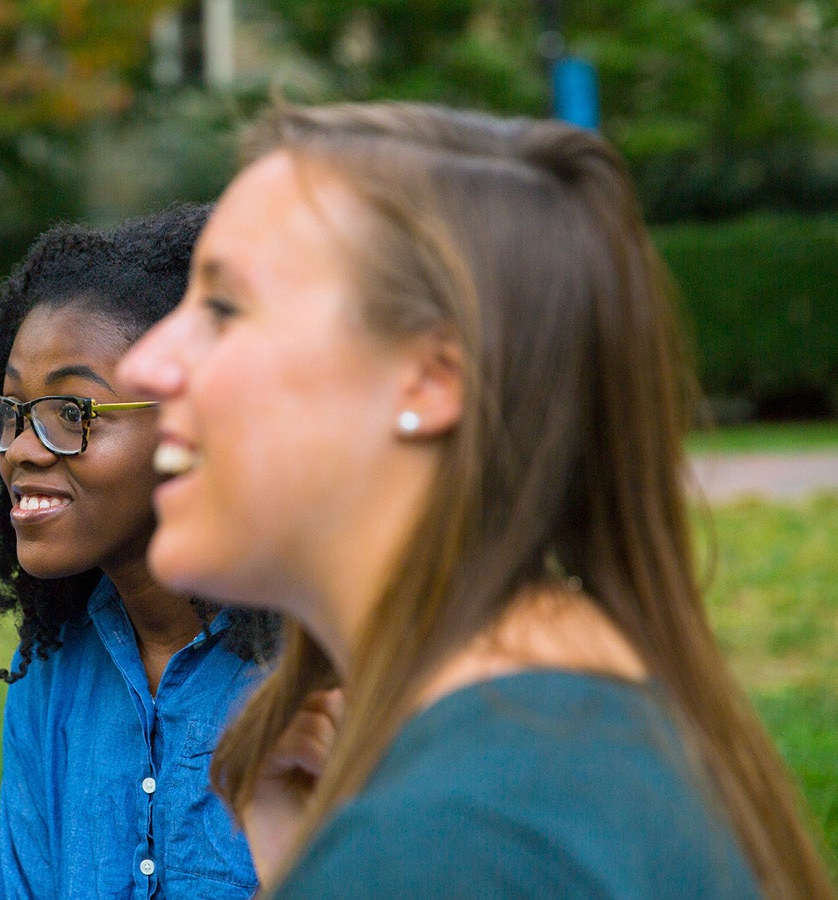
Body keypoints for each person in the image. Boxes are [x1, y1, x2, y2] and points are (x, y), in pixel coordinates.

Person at [118, 102, 835, 896]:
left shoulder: (452, 839)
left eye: (224, 308)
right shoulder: (568, 732)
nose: (145, 365)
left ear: (432, 379)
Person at [0, 205, 284, 899]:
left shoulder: (321, 669)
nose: (19, 450)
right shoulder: (52, 672)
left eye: (73, 413)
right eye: (11, 411)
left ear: (198, 419)